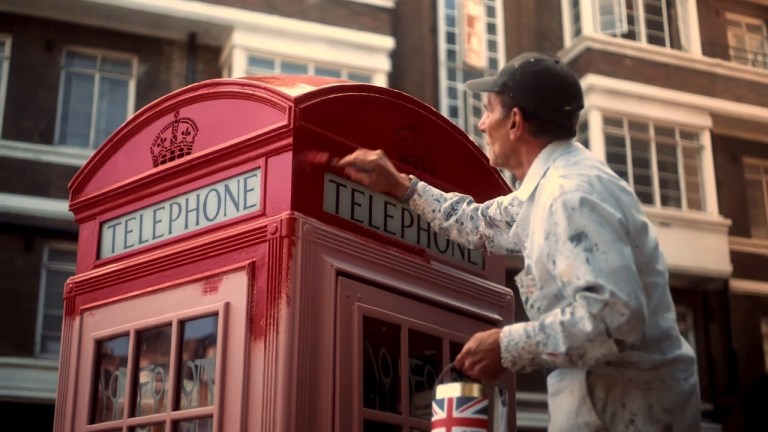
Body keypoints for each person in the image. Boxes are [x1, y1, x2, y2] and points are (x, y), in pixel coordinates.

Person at [337, 52, 701, 431]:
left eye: (487, 110)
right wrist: (402, 186)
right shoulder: (550, 186)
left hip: (629, 414)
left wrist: (506, 346)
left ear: (514, 122)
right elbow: (477, 224)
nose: (480, 124)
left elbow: (615, 316)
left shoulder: (571, 193)